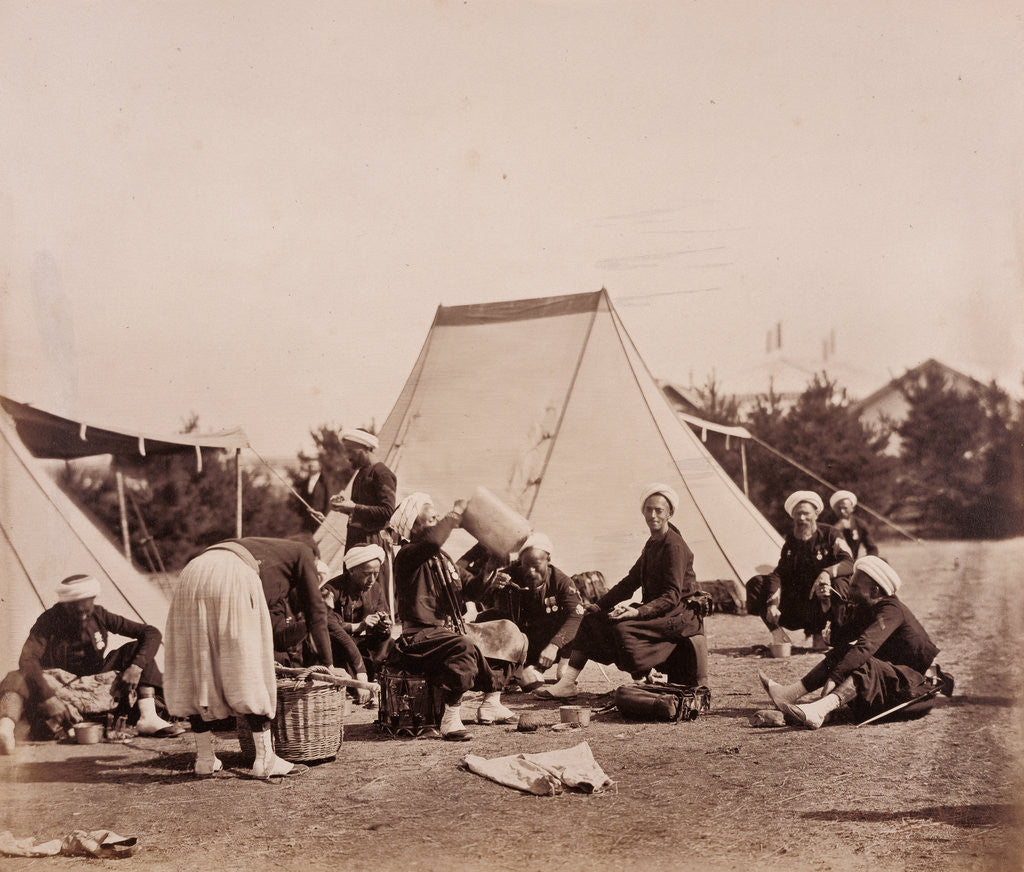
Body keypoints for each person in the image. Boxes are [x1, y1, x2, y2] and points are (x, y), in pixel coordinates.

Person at [164, 537, 334, 779]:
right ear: (315, 558)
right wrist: (328, 664)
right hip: (232, 574)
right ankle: (265, 760)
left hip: (192, 572)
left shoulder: (266, 553)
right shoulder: (303, 552)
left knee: (199, 663)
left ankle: (204, 758)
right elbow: (316, 612)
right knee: (249, 662)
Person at [537, 484, 709, 700]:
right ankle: (568, 682)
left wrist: (636, 613)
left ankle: (647, 678)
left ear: (670, 513)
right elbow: (630, 582)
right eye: (648, 509)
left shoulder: (673, 545)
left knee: (622, 630)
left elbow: (672, 595)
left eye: (659, 510)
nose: (653, 515)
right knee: (592, 620)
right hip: (660, 610)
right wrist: (599, 605)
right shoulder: (653, 543)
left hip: (680, 614)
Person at [389, 493, 525, 741]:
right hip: (420, 636)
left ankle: (491, 702)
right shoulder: (408, 555)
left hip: (450, 631)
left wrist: (491, 565)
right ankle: (451, 717)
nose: (436, 517)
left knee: (510, 633)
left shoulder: (443, 559)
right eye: (429, 514)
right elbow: (431, 542)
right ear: (413, 525)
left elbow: (470, 591)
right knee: (463, 645)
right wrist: (454, 515)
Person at [758, 556, 949, 729]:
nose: (849, 590)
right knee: (845, 653)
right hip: (890, 681)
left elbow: (866, 646)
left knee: (865, 662)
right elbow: (841, 640)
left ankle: (820, 710)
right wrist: (826, 605)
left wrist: (835, 677)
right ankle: (790, 694)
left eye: (855, 587)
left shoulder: (891, 610)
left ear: (874, 590)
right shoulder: (869, 607)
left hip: (914, 687)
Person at [0, 574, 181, 755]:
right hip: (61, 685)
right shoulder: (48, 621)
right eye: (78, 612)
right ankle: (5, 730)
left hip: (96, 679)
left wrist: (136, 667)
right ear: (66, 605)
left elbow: (151, 633)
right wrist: (49, 697)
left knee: (135, 650)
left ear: (93, 600)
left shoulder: (99, 614)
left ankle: (148, 716)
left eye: (88, 610)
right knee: (16, 676)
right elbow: (27, 659)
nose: (84, 616)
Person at [745, 490, 854, 650]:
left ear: (816, 513)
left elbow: (849, 562)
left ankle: (828, 633)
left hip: (823, 601)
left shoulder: (831, 534)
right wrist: (772, 604)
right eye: (797, 514)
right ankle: (778, 635)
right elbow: (779, 573)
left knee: (838, 584)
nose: (801, 518)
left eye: (806, 513)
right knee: (758, 583)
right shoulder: (791, 540)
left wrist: (827, 573)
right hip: (798, 606)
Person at [476, 532, 584, 691]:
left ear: (548, 560)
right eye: (526, 565)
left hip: (550, 642)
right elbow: (480, 600)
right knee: (485, 618)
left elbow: (576, 615)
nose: (531, 571)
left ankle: (563, 666)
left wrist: (554, 646)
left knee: (578, 616)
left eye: (536, 565)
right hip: (522, 640)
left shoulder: (561, 582)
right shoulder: (509, 575)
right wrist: (491, 586)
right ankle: (509, 671)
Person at [329, 428, 398, 613]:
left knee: (376, 594)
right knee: (353, 591)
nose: (347, 457)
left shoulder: (381, 473)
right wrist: (345, 509)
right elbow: (365, 511)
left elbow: (387, 512)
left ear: (364, 448)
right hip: (357, 542)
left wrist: (353, 507)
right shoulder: (362, 474)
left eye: (350, 451)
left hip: (373, 543)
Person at [322, 544, 394, 696]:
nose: (372, 579)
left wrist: (383, 624)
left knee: (388, 640)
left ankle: (376, 679)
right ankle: (357, 682)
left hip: (362, 644)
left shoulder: (376, 589)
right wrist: (357, 626)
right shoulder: (332, 589)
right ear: (351, 570)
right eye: (367, 574)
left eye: (376, 573)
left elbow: (384, 613)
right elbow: (327, 624)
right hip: (340, 644)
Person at [829, 490, 879, 560]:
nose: (842, 511)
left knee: (883, 561)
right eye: (839, 508)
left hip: (851, 563)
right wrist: (836, 529)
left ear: (852, 508)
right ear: (834, 509)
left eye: (845, 508)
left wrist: (864, 561)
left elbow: (872, 549)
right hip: (830, 563)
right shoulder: (826, 522)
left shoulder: (860, 524)